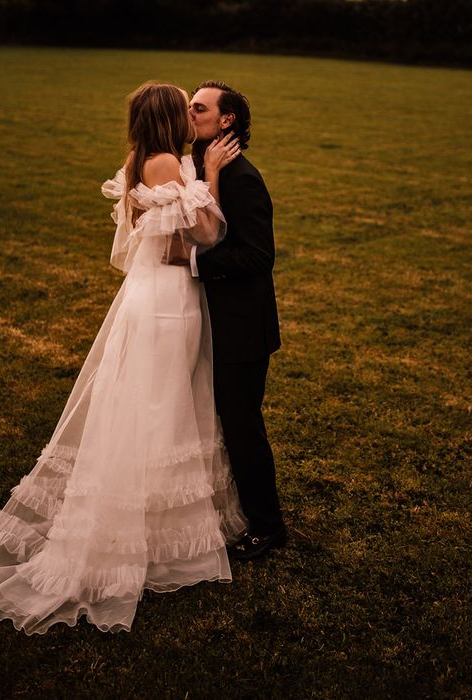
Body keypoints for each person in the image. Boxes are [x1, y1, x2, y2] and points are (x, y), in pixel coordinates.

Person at [0, 81, 246, 634]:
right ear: (170, 117)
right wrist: (211, 176)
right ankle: (141, 538)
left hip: (149, 298)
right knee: (162, 406)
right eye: (184, 107)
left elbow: (145, 241)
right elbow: (208, 232)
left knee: (147, 402)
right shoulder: (169, 163)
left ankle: (147, 527)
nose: (190, 115)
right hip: (170, 303)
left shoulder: (136, 159)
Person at [169, 81, 285, 560]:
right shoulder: (197, 166)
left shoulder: (241, 176)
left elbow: (258, 256)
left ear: (226, 121)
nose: (190, 112)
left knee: (240, 425)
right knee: (214, 423)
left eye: (200, 108)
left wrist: (193, 263)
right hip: (207, 320)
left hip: (240, 327)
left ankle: (267, 526)